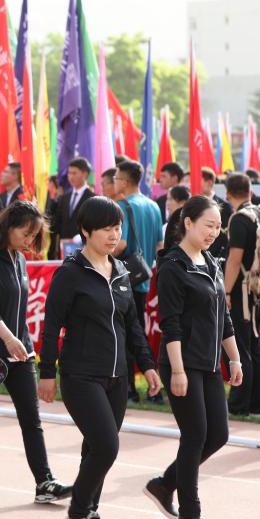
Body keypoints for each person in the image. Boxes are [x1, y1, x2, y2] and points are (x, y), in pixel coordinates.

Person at [38, 196, 161, 519]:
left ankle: (90, 518)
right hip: (80, 375)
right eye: (106, 228)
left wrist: (147, 365)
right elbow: (51, 326)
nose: (113, 235)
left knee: (94, 449)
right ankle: (76, 515)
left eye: (117, 228)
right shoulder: (70, 273)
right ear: (85, 230)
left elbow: (132, 325)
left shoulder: (121, 271)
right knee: (107, 446)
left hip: (117, 377)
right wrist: (47, 373)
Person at [144, 196, 243, 519]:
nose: (214, 232)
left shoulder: (212, 262)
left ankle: (165, 484)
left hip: (210, 363)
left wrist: (234, 358)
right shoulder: (172, 266)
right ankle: (190, 514)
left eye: (218, 227)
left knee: (218, 435)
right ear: (188, 223)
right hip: (182, 363)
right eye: (208, 225)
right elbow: (169, 324)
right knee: (195, 435)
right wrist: (177, 371)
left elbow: (223, 317)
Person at [0, 201, 72, 503]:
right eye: (26, 233)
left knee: (32, 420)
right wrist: (7, 338)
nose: (30, 240)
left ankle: (44, 482)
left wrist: (23, 344)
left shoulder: (18, 259)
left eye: (34, 235)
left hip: (20, 353)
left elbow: (18, 309)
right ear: (7, 227)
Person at [113, 160, 164, 403]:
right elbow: (159, 245)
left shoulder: (124, 206)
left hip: (124, 278)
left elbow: (120, 244)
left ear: (124, 181)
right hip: (143, 277)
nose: (114, 183)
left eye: (116, 178)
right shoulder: (153, 206)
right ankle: (153, 388)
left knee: (125, 334)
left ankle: (130, 389)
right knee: (138, 333)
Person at [222, 174, 260, 417]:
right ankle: (257, 405)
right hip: (258, 287)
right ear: (250, 190)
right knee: (254, 345)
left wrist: (226, 291)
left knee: (240, 347)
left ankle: (239, 405)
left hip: (241, 289)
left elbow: (234, 259)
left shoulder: (239, 218)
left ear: (228, 194)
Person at [51, 158, 94, 245]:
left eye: (74, 173)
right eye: (69, 173)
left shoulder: (93, 198)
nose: (71, 177)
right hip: (64, 246)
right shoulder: (64, 198)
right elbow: (57, 223)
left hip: (83, 246)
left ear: (85, 174)